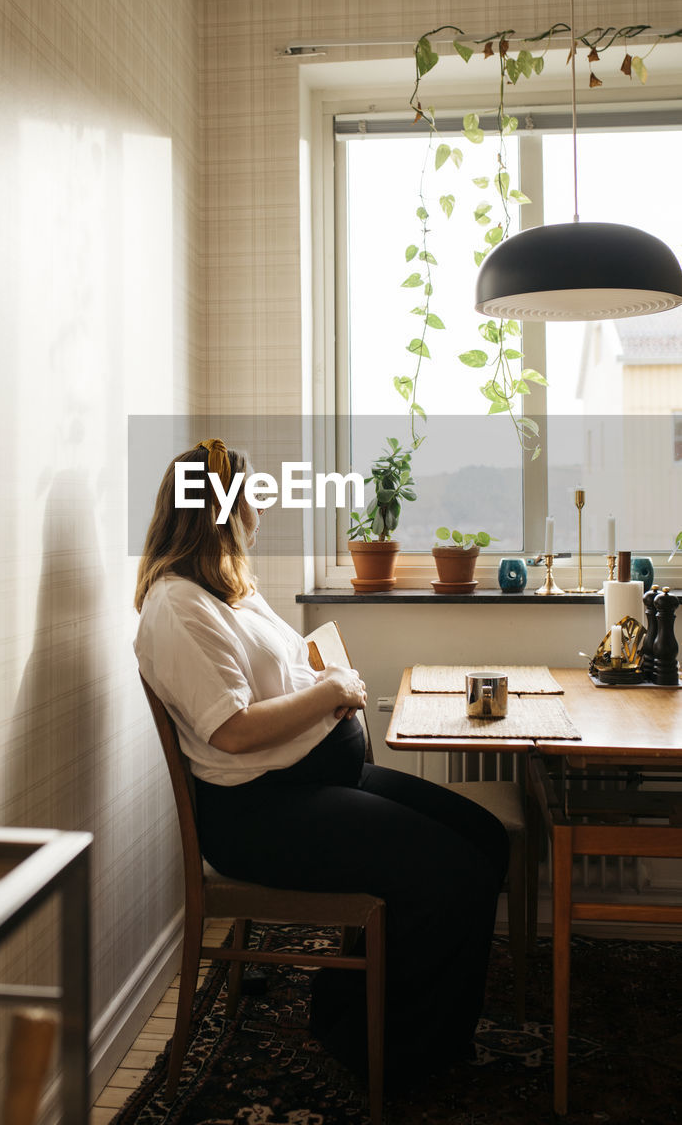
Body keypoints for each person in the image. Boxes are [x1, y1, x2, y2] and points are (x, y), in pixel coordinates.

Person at [134, 437, 508, 1088]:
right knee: (453, 877)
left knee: (484, 839)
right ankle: (392, 1053)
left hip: (314, 781)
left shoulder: (228, 590)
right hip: (261, 811)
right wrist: (332, 693)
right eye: (252, 495)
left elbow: (284, 671)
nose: (260, 508)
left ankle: (362, 1009)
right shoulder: (178, 609)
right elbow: (231, 731)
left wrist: (330, 679)